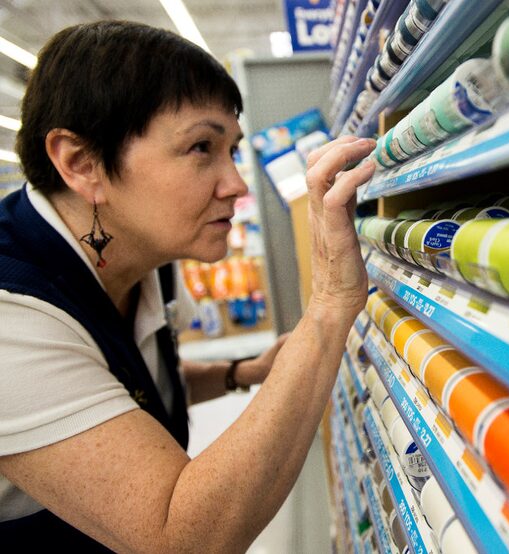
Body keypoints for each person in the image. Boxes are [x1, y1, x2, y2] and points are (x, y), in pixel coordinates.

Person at [0, 20, 376, 552]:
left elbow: (121, 374)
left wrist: (243, 372)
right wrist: (331, 304)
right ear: (82, 164)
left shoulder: (139, 250)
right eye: (202, 147)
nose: (238, 184)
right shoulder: (10, 316)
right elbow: (182, 538)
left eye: (233, 150)